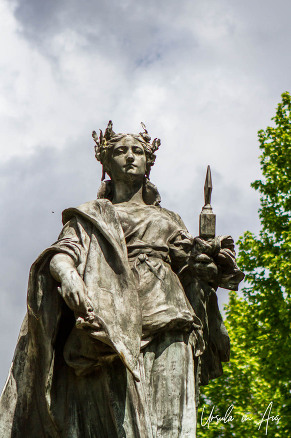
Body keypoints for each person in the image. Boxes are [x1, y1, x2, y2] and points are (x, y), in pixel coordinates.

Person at [0, 121, 244, 438]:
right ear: (106, 163)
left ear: (148, 163)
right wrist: (69, 276)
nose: (130, 156)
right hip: (118, 322)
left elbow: (190, 271)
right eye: (120, 151)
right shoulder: (94, 215)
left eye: (137, 151)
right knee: (123, 420)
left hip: (171, 316)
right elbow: (61, 254)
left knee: (169, 421)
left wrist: (207, 268)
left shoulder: (169, 218)